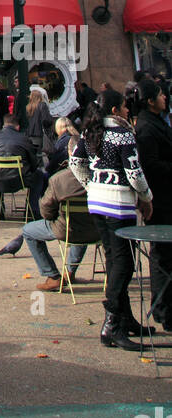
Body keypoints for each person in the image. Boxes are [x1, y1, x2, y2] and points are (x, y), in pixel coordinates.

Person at [70, 88, 152, 351]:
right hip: (119, 204)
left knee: (114, 260)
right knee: (124, 264)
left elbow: (75, 161)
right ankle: (113, 323)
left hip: (97, 203)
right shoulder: (122, 134)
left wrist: (91, 184)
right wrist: (146, 197)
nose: (128, 110)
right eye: (125, 107)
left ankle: (125, 319)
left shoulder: (90, 131)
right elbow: (134, 172)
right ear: (115, 110)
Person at [22, 141, 97, 291]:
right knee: (81, 221)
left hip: (66, 228)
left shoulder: (59, 179)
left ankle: (53, 276)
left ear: (70, 153)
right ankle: (70, 272)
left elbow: (46, 211)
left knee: (28, 231)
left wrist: (55, 216)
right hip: (97, 230)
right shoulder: (100, 176)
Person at [135, 77, 172, 332]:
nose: (164, 97)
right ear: (150, 101)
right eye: (160, 95)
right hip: (160, 200)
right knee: (163, 255)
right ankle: (164, 310)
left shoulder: (156, 122)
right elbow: (150, 165)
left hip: (165, 197)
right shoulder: (147, 128)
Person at [0, 116, 43, 219]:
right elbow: (33, 163)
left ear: (3, 125)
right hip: (20, 179)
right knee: (39, 175)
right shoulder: (24, 139)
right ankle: (32, 210)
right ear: (17, 126)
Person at [26, 85, 55, 167]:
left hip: (30, 133)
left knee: (34, 153)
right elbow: (46, 120)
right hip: (40, 133)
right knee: (42, 153)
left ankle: (36, 168)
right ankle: (42, 168)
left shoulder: (28, 107)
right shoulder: (42, 105)